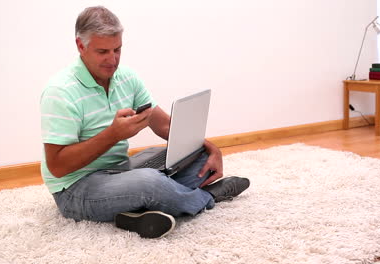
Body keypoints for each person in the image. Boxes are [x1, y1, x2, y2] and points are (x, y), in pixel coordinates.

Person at [40, 6, 250, 239]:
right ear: (81, 46)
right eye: (103, 52)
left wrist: (211, 148)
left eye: (117, 49)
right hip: (75, 189)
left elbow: (165, 126)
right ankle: (207, 198)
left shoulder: (126, 77)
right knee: (151, 183)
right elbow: (57, 167)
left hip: (119, 170)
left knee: (194, 158)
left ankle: (135, 212)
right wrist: (112, 135)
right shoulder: (60, 92)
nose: (113, 60)